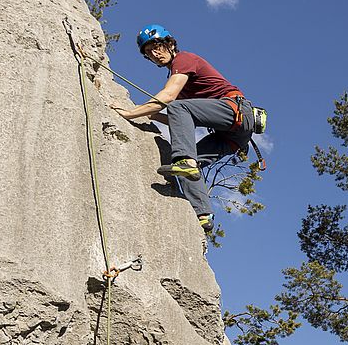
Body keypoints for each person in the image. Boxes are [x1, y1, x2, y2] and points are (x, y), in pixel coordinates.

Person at [111, 24, 264, 234]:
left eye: (157, 47)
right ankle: (203, 215)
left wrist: (129, 112)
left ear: (170, 44)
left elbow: (169, 98)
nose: (154, 54)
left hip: (236, 112)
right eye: (148, 53)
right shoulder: (179, 83)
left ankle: (186, 160)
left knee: (184, 155)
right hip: (232, 136)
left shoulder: (184, 59)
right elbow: (180, 118)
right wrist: (153, 115)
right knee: (188, 169)